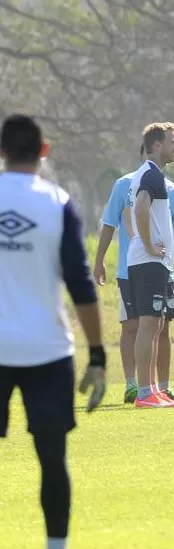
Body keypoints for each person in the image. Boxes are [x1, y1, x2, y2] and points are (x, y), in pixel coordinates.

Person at [0, 114, 106, 549]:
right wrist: (97, 355)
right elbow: (81, 286)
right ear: (45, 150)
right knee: (52, 458)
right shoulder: (58, 203)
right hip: (48, 351)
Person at [92, 145, 147, 403]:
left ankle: (158, 385)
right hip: (128, 269)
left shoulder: (169, 188)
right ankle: (131, 384)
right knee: (132, 326)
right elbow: (109, 225)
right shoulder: (123, 184)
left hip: (160, 269)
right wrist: (99, 260)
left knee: (157, 328)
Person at [125, 122, 174, 408]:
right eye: (171, 141)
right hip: (148, 262)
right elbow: (141, 209)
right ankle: (144, 393)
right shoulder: (151, 174)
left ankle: (152, 389)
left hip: (154, 262)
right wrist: (149, 245)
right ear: (157, 145)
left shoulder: (152, 173)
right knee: (148, 326)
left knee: (155, 326)